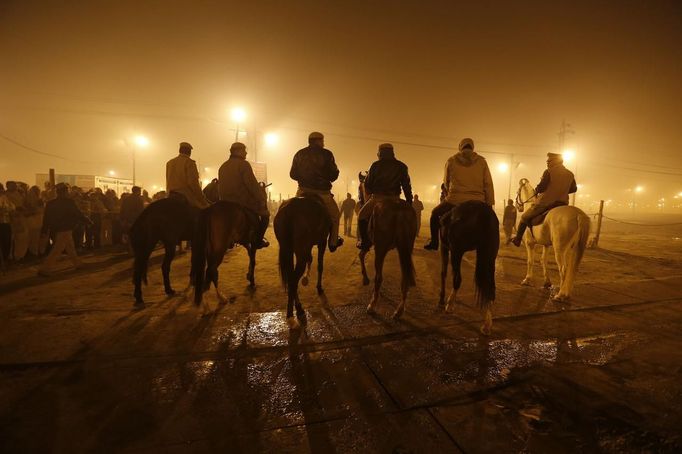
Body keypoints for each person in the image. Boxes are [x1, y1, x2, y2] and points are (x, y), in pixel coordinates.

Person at [424, 138, 494, 250]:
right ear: (472, 147)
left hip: (455, 200)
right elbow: (488, 184)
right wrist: (489, 203)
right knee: (492, 224)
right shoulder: (482, 161)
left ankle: (434, 242)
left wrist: (449, 193)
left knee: (434, 214)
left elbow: (446, 182)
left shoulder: (451, 161)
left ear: (460, 147)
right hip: (478, 201)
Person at [289, 132, 343, 251]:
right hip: (322, 193)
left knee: (290, 211)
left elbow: (292, 174)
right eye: (323, 141)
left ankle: (288, 238)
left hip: (303, 191)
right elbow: (333, 175)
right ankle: (333, 242)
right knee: (335, 216)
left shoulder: (300, 153)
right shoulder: (327, 154)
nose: (323, 143)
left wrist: (304, 178)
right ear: (319, 141)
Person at [511, 152, 577, 246]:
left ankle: (517, 239)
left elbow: (541, 187)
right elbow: (574, 189)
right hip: (562, 203)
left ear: (556, 161)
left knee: (524, 217)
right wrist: (563, 190)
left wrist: (536, 190)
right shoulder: (570, 174)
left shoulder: (549, 171)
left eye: (549, 160)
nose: (547, 162)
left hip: (546, 203)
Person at [356, 143, 412, 250]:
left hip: (378, 198)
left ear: (380, 153)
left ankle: (365, 242)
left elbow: (367, 185)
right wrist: (409, 202)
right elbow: (407, 186)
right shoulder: (402, 166)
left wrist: (372, 191)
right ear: (392, 152)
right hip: (396, 199)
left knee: (361, 216)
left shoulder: (375, 165)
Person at [218, 142, 270, 248]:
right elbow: (251, 185)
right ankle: (258, 240)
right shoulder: (243, 164)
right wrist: (261, 198)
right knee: (265, 216)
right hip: (241, 202)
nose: (246, 153)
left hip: (223, 202)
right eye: (244, 150)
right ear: (238, 151)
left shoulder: (223, 166)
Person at [38, 183, 91, 276]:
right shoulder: (68, 202)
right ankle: (45, 268)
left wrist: (44, 230)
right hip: (65, 227)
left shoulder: (50, 203)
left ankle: (77, 263)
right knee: (57, 249)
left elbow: (46, 218)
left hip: (56, 228)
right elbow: (77, 213)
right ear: (65, 191)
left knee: (70, 246)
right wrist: (87, 220)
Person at [165, 141, 210, 209]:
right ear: (188, 151)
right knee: (204, 209)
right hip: (185, 196)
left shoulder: (169, 163)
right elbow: (193, 183)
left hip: (170, 195)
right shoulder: (189, 162)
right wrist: (202, 198)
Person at [0, 183, 15, 262]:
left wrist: (5, 210)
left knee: (6, 242)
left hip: (5, 223)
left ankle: (5, 259)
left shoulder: (5, 198)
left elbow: (12, 208)